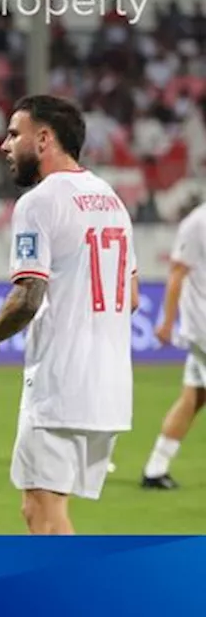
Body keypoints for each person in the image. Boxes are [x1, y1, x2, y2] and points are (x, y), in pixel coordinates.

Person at [0, 95, 138, 535]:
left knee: (40, 512)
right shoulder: (110, 199)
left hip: (61, 382)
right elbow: (133, 295)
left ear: (44, 139)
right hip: (110, 385)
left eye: (14, 134)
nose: (5, 145)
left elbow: (28, 296)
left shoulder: (39, 202)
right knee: (49, 509)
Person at [142, 202, 206, 489]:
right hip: (203, 326)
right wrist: (167, 322)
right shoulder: (197, 223)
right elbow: (177, 272)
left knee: (194, 396)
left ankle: (155, 469)